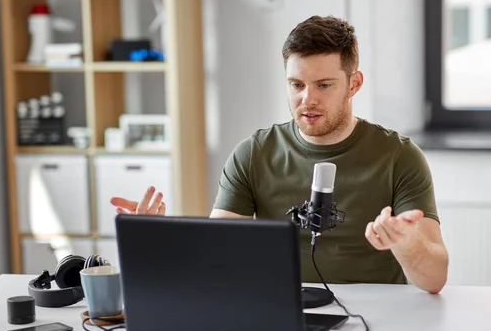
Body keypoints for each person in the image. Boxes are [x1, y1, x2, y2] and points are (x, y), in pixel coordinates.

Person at [111, 15, 449, 294]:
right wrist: (154, 237)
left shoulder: (399, 156)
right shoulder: (254, 154)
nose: (307, 99)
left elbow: (434, 279)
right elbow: (215, 254)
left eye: (324, 85)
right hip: (281, 311)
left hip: (377, 319)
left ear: (354, 84)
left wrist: (406, 244)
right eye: (296, 85)